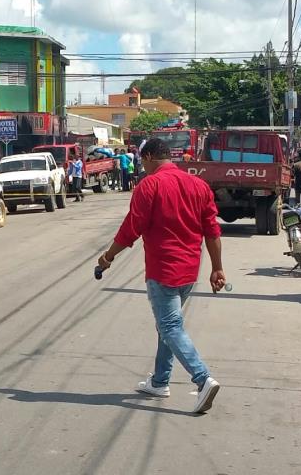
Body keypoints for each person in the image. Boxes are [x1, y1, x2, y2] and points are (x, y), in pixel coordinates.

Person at [96, 137, 224, 414]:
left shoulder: (150, 185)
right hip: (190, 269)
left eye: (143, 160)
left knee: (169, 326)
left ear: (151, 156)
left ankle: (203, 379)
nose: (142, 165)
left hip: (163, 269)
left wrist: (108, 257)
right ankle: (159, 381)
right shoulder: (198, 185)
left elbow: (132, 227)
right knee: (167, 325)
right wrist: (217, 267)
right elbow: (212, 230)